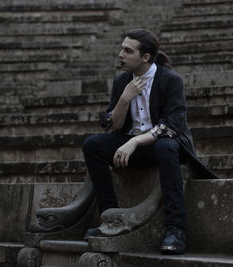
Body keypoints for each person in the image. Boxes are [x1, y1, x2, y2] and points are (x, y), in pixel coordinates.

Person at [82, 29, 217, 255]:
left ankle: (175, 229)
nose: (120, 55)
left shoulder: (170, 80)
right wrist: (124, 99)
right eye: (121, 49)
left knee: (165, 146)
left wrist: (134, 142)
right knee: (92, 144)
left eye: (127, 50)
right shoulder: (122, 81)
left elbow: (172, 126)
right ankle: (109, 215)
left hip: (165, 146)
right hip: (132, 146)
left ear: (145, 57)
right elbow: (111, 125)